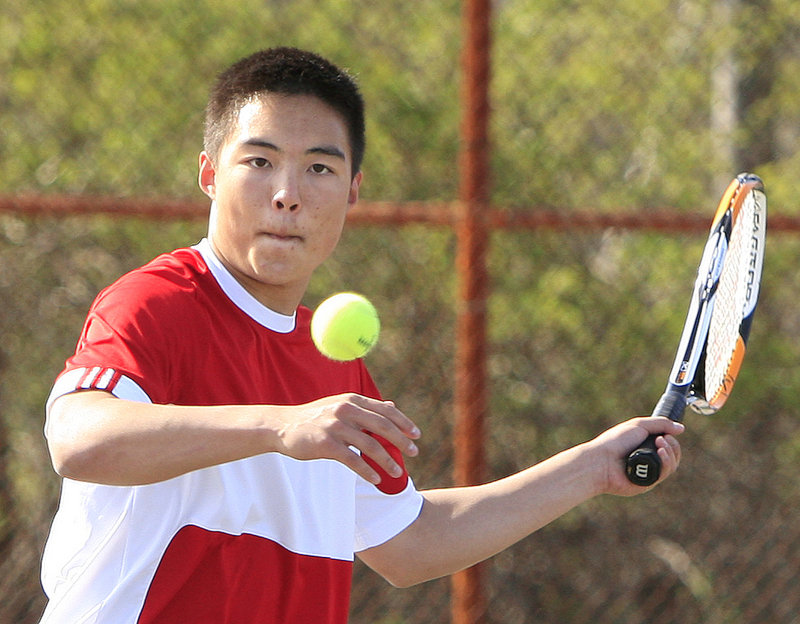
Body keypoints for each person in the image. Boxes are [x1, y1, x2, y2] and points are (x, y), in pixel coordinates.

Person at [39, 47, 683, 623]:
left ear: (353, 191)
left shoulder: (334, 372)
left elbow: (409, 543)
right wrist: (279, 428)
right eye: (259, 161)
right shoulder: (159, 303)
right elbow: (78, 440)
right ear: (209, 173)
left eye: (319, 169)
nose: (287, 194)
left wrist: (594, 467)